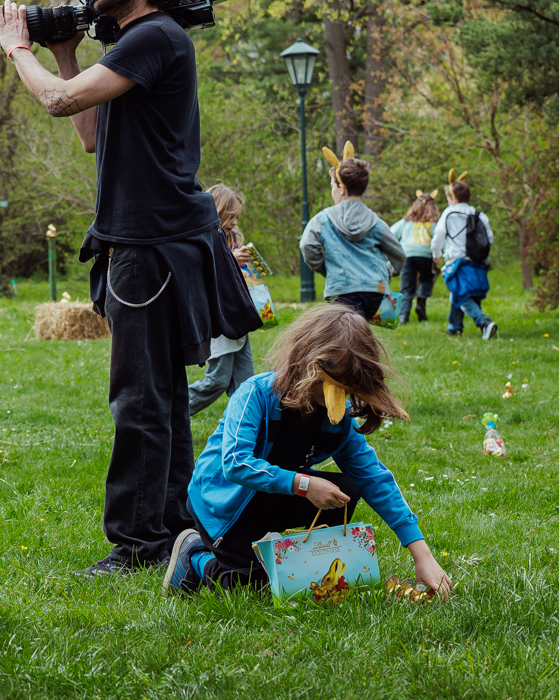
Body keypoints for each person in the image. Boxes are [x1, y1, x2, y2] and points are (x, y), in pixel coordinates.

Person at [0, 0, 261, 577]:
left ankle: (138, 542)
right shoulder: (139, 46)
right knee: (161, 396)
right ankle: (173, 525)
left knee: (139, 398)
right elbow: (90, 134)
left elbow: (57, 102)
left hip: (151, 244)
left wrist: (18, 49)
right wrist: (64, 51)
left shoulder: (154, 36)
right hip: (155, 240)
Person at [163, 303, 454, 597]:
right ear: (305, 360)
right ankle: (194, 554)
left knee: (346, 490)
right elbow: (236, 463)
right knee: (250, 589)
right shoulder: (256, 393)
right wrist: (305, 485)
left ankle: (296, 558)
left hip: (273, 495)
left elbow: (374, 478)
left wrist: (422, 555)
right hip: (223, 503)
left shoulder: (337, 420)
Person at [299, 156, 406, 323]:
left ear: (341, 189)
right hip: (374, 292)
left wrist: (326, 269)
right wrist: (387, 271)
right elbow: (399, 254)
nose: (332, 191)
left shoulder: (323, 219)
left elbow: (307, 245)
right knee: (359, 329)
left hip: (341, 290)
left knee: (345, 332)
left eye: (332, 186)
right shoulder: (376, 222)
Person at [187, 185, 258, 416]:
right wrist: (230, 260)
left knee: (246, 384)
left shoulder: (233, 238)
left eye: (237, 217)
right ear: (216, 212)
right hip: (221, 320)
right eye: (230, 217)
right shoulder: (203, 238)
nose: (234, 222)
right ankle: (174, 411)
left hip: (238, 319)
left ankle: (243, 425)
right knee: (217, 380)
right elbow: (203, 275)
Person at [431, 178, 497, 339]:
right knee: (464, 292)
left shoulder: (449, 213)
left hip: (457, 262)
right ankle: (454, 328)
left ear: (453, 198)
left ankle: (484, 323)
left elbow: (439, 235)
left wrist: (436, 254)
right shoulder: (479, 215)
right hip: (477, 262)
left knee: (462, 295)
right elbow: (489, 238)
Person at [390, 192, 439, 324]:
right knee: (426, 279)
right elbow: (439, 239)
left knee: (407, 286)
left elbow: (391, 233)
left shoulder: (406, 222)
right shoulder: (433, 224)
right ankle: (421, 304)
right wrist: (439, 254)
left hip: (407, 255)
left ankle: (403, 316)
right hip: (425, 255)